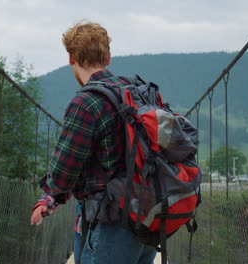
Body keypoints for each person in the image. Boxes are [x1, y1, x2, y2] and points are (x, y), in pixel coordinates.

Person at [30, 21, 157, 264]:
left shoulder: (86, 103)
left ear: (70, 58)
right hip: (146, 218)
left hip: (111, 225)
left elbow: (63, 173)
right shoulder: (136, 93)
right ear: (108, 57)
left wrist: (48, 197)